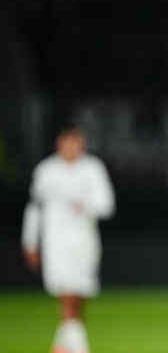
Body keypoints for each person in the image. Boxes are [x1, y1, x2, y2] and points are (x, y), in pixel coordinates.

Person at [22, 124, 115, 353]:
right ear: (59, 144)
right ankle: (80, 348)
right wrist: (30, 241)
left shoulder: (92, 169)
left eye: (76, 142)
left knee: (79, 295)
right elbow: (34, 208)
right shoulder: (46, 171)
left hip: (85, 243)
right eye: (67, 142)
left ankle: (61, 346)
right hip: (55, 243)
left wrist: (84, 205)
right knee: (66, 294)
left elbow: (107, 205)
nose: (71, 147)